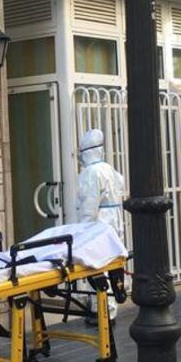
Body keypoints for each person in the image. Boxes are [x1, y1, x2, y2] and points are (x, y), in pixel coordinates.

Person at [76, 128, 127, 321]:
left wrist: (82, 230)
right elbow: (121, 187)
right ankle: (110, 307)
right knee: (112, 264)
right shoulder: (109, 169)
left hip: (99, 223)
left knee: (98, 267)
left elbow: (89, 206)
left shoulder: (91, 173)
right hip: (114, 220)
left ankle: (102, 311)